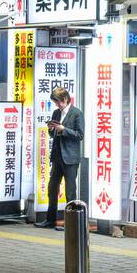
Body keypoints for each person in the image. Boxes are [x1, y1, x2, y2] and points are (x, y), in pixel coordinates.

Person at [40, 87, 84, 230]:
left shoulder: (77, 113)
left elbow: (79, 135)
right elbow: (53, 135)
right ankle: (50, 219)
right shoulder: (56, 113)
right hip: (57, 157)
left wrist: (63, 129)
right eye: (55, 102)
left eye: (58, 102)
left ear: (65, 99)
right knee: (52, 188)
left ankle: (70, 223)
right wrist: (52, 130)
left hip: (71, 158)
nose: (57, 105)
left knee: (70, 191)